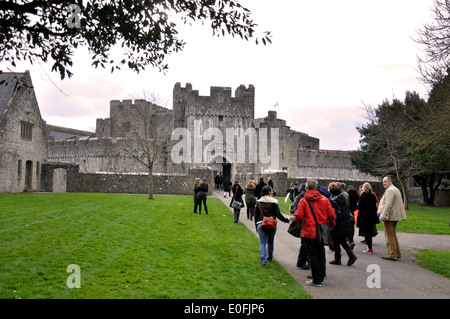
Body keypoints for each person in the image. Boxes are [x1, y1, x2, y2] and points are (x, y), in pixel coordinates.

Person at [294, 178, 336, 287]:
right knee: (320, 253)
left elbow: (298, 216)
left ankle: (317, 280)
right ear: (316, 187)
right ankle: (321, 275)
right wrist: (330, 226)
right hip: (321, 230)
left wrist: (298, 223)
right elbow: (332, 215)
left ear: (307, 188)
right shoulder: (324, 199)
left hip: (309, 231)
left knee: (313, 255)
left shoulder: (304, 201)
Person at [255, 185, 291, 265]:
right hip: (272, 223)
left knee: (262, 242)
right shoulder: (274, 202)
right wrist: (286, 220)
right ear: (269, 192)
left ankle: (263, 260)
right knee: (270, 242)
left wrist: (256, 226)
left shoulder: (259, 202)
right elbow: (278, 214)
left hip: (261, 223)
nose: (272, 191)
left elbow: (256, 215)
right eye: (271, 190)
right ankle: (269, 257)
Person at [377, 176, 407, 261]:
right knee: (393, 235)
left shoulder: (390, 190)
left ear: (390, 181)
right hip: (395, 215)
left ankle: (392, 254)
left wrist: (383, 215)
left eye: (385, 181)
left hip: (390, 216)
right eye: (383, 182)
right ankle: (397, 253)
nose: (384, 183)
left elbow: (388, 204)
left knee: (389, 236)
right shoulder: (396, 189)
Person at [329, 187, 357, 266]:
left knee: (337, 240)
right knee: (340, 240)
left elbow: (336, 214)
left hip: (338, 224)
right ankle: (342, 257)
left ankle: (343, 257)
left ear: (333, 194)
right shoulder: (342, 200)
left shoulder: (335, 202)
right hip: (344, 223)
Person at [356, 182, 379, 254]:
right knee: (369, 232)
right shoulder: (372, 196)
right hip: (371, 216)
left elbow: (359, 207)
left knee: (367, 233)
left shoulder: (363, 196)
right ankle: (369, 247)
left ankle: (370, 248)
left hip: (364, 217)